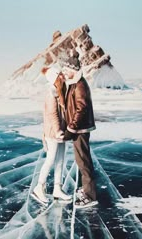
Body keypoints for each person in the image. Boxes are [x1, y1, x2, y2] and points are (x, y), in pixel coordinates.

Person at [31, 65, 72, 206]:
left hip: (60, 131)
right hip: (52, 133)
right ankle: (39, 187)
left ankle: (57, 188)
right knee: (50, 159)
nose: (62, 76)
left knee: (60, 160)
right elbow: (52, 114)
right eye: (59, 75)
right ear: (55, 78)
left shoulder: (60, 91)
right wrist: (58, 131)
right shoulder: (51, 92)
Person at [62, 56, 98, 208]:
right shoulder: (74, 83)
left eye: (66, 69)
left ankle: (90, 196)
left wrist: (71, 127)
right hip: (78, 127)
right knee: (81, 160)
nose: (63, 72)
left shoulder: (80, 85)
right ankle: (86, 189)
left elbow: (81, 108)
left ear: (72, 70)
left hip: (80, 129)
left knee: (83, 161)